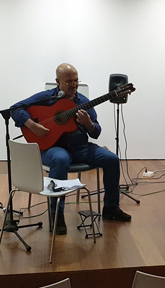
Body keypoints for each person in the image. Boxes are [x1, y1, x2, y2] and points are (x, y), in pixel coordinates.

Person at [10, 63, 131, 235]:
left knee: (112, 159)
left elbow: (96, 132)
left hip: (80, 148)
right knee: (60, 159)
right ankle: (56, 215)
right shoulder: (46, 98)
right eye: (68, 81)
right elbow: (15, 108)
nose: (73, 85)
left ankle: (111, 208)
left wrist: (88, 124)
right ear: (57, 82)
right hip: (52, 148)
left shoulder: (84, 102)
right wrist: (32, 125)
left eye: (76, 80)